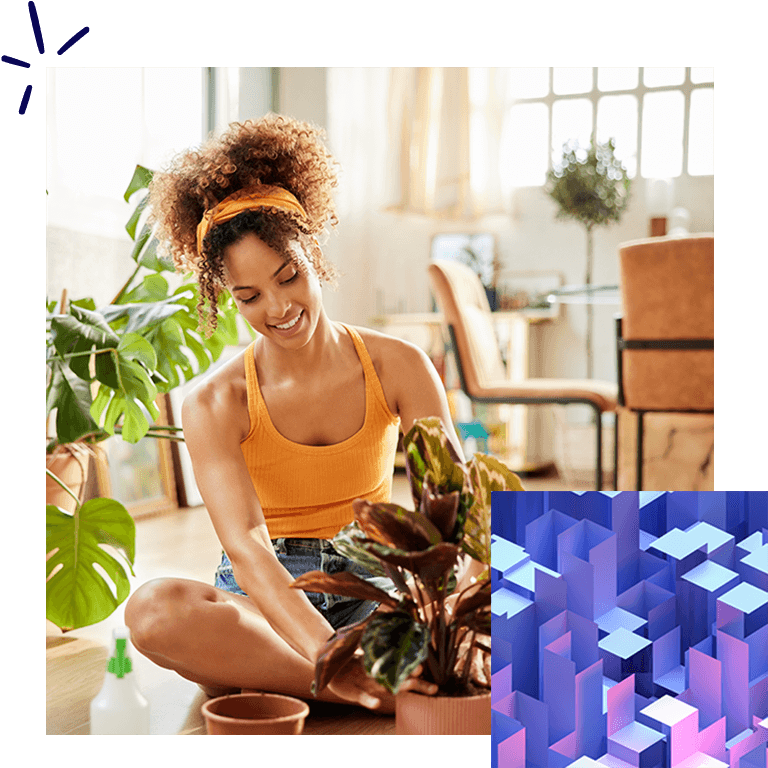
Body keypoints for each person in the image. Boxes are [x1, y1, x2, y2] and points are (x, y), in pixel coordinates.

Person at [124, 114, 465, 712]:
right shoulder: (213, 401)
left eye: (289, 276)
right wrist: (329, 650)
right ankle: (366, 688)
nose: (279, 308)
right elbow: (249, 548)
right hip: (263, 602)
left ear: (313, 252)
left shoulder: (400, 365)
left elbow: (451, 511)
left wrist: (446, 619)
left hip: (371, 585)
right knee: (154, 611)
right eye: (248, 296)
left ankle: (280, 681)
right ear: (223, 295)